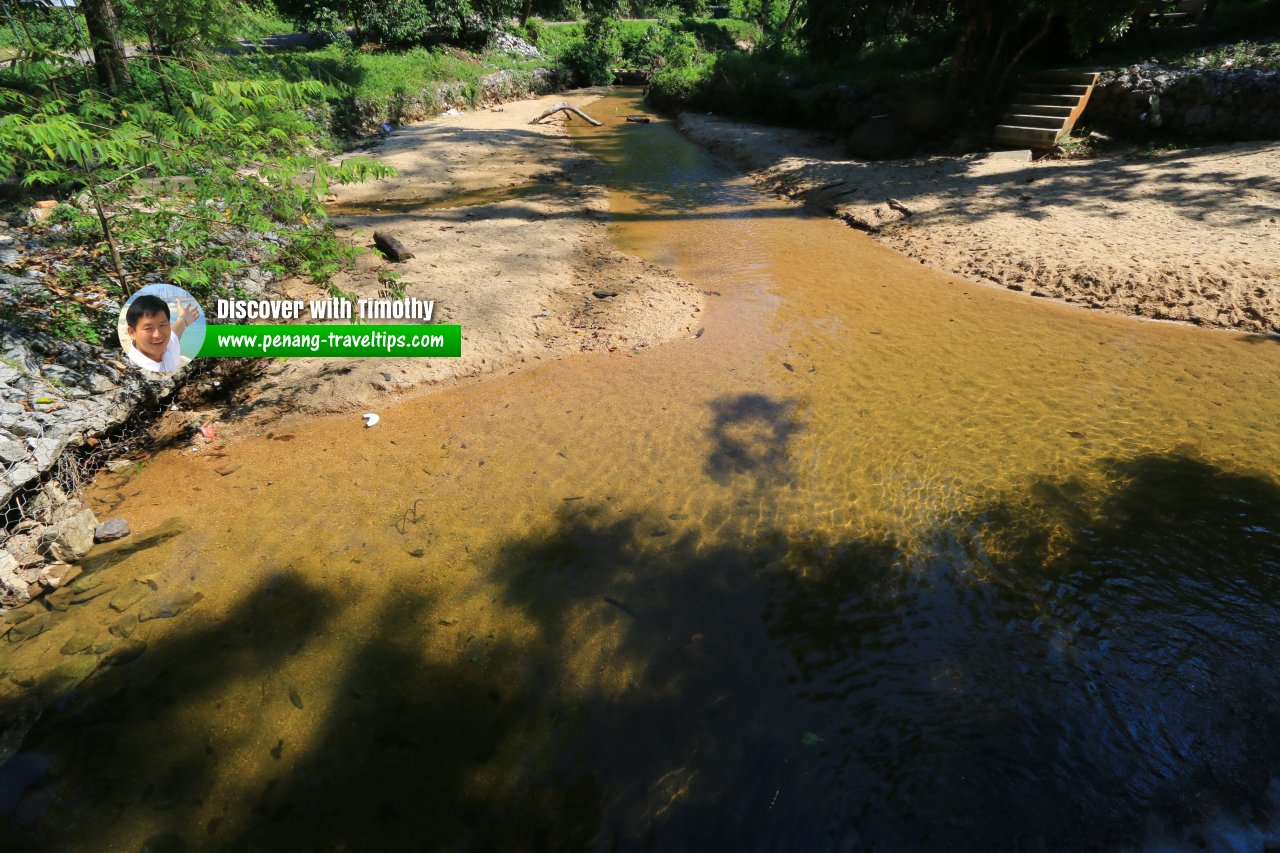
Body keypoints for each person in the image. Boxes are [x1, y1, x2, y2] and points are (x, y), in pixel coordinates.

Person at [124, 293, 201, 373]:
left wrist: (183, 319)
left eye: (163, 325)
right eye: (148, 328)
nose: (158, 335)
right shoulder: (133, 369)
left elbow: (175, 332)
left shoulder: (168, 346)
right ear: (132, 333)